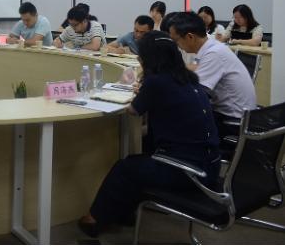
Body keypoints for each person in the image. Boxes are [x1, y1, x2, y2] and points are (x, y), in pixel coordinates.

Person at [78, 31, 220, 239]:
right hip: (211, 165)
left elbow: (133, 111)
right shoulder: (189, 79)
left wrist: (144, 93)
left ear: (149, 58)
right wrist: (146, 93)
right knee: (135, 162)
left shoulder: (157, 81)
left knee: (123, 168)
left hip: (188, 171)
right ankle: (124, 213)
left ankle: (92, 219)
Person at [168, 12, 258, 141]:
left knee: (174, 119)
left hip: (233, 122)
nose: (177, 45)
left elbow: (194, 93)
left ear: (190, 37)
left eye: (176, 40)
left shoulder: (214, 54)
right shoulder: (214, 48)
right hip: (234, 115)